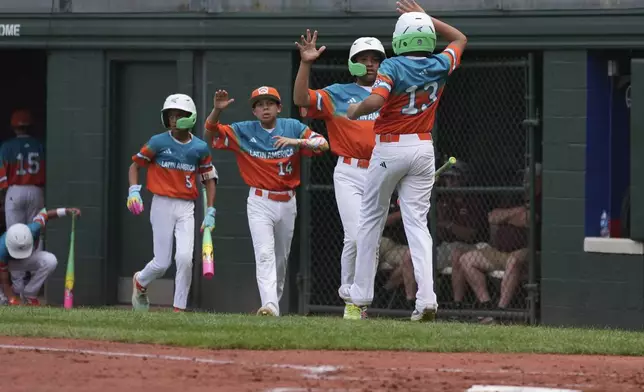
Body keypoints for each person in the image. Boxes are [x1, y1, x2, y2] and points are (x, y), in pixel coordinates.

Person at [343, 0, 467, 321]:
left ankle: (360, 297)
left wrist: (357, 109)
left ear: (400, 40)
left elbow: (375, 99)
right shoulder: (441, 63)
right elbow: (460, 38)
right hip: (424, 148)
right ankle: (426, 299)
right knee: (417, 225)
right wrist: (428, 18)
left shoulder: (392, 66)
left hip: (390, 148)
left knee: (370, 218)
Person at [204, 86, 329, 317]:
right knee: (264, 254)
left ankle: (273, 304)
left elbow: (323, 144)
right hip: (260, 200)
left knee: (280, 260)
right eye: (260, 104)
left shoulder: (292, 127)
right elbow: (210, 135)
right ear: (254, 111)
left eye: (269, 103)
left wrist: (296, 142)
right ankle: (270, 305)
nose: (265, 108)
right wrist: (216, 111)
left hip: (287, 201)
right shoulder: (244, 130)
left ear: (278, 107)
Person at [293, 30, 386, 320]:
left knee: (366, 241)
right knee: (357, 236)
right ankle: (352, 297)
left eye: (375, 59)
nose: (370, 64)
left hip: (382, 171)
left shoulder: (390, 94)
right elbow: (301, 100)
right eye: (363, 59)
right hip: (348, 171)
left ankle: (358, 302)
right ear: (352, 63)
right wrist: (306, 64)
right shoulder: (337, 93)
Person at [128, 93, 219, 313]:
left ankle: (179, 308)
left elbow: (209, 179)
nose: (174, 119)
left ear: (191, 117)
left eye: (179, 115)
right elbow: (135, 166)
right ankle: (140, 281)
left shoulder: (200, 148)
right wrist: (133, 191)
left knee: (186, 258)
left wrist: (211, 211)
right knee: (161, 263)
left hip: (187, 206)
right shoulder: (158, 141)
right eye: (170, 115)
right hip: (161, 204)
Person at [0, 109, 46, 299]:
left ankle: (18, 285)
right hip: (36, 190)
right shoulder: (39, 145)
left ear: (13, 127)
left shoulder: (7, 146)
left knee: (14, 236)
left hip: (15, 190)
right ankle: (34, 283)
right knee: (36, 233)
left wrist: (3, 198)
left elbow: (2, 177)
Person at [0, 207, 81, 306]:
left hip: (26, 258)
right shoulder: (2, 249)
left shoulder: (34, 228)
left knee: (50, 260)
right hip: (8, 262)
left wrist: (66, 211)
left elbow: (45, 214)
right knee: (4, 301)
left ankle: (29, 294)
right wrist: (12, 299)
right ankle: (3, 297)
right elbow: (4, 280)